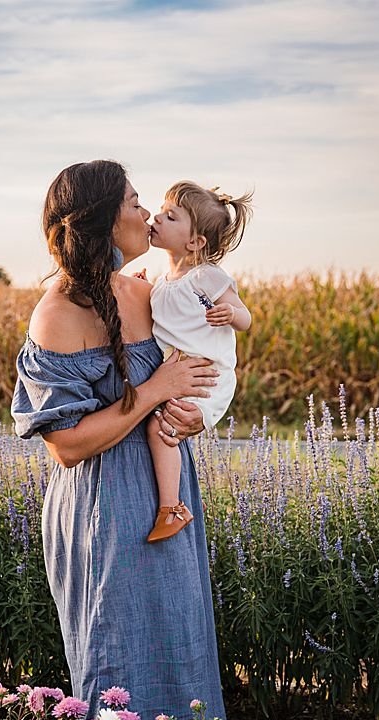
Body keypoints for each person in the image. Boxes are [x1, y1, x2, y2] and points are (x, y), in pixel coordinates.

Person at [11, 160, 227, 720]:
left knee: (176, 654)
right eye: (137, 201)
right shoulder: (58, 313)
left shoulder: (146, 290)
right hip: (107, 508)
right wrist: (157, 387)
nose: (147, 211)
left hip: (164, 498)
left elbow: (203, 367)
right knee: (118, 668)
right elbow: (67, 445)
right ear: (106, 222)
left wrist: (191, 408)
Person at [145, 181, 253, 542]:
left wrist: (229, 314)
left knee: (162, 432)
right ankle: (170, 506)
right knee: (159, 428)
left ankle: (171, 507)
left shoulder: (206, 277)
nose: (156, 217)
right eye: (161, 210)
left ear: (195, 242)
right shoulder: (162, 282)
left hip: (207, 377)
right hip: (181, 373)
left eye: (170, 216)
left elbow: (246, 317)